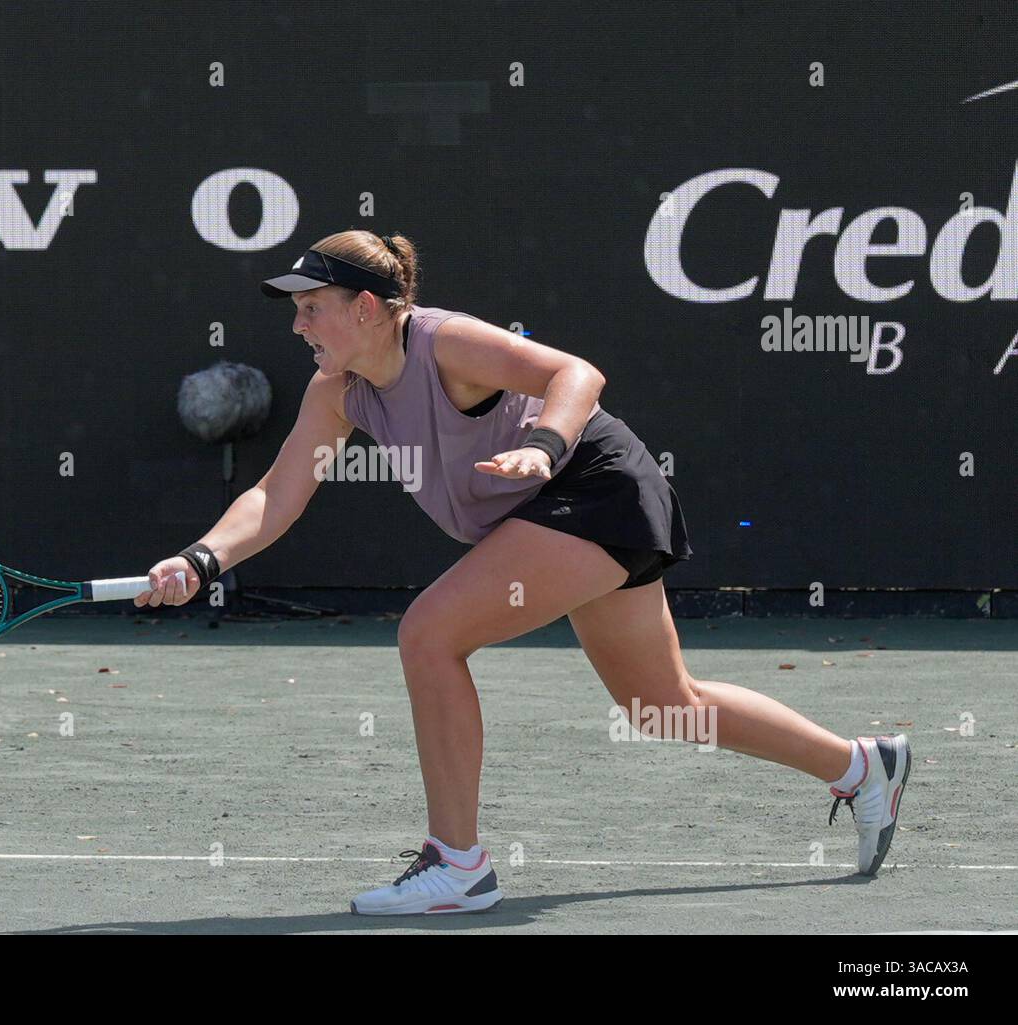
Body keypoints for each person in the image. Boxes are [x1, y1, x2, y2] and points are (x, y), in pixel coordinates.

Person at [134, 229, 911, 915]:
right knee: (662, 704)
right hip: (557, 510)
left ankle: (458, 863)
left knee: (429, 635)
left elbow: (577, 373)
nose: (298, 323)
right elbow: (279, 493)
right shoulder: (337, 390)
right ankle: (860, 765)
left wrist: (543, 443)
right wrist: (201, 558)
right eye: (296, 309)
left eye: (312, 306)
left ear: (368, 306)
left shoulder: (446, 343)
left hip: (593, 485)